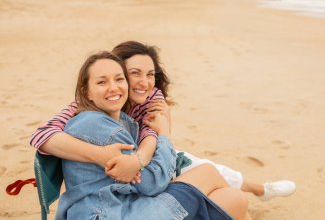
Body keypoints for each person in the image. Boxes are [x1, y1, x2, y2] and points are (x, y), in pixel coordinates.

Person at [30, 41, 295, 201]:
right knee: (210, 173)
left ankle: (261, 190)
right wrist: (100, 155)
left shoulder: (151, 97)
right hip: (129, 172)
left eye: (151, 74)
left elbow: (152, 135)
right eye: (134, 74)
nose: (145, 82)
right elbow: (41, 136)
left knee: (210, 168)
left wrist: (139, 159)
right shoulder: (91, 102)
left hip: (153, 157)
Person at [56, 51, 251, 219]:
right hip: (112, 213)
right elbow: (152, 184)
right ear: (86, 92)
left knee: (222, 187)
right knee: (232, 197)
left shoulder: (118, 119)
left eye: (119, 79)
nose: (114, 87)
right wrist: (164, 132)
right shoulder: (99, 126)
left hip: (119, 206)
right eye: (101, 82)